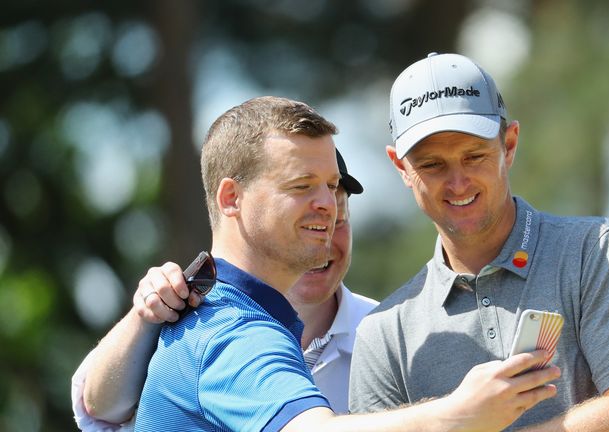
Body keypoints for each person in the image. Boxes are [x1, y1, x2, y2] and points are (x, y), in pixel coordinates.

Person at [86, 95, 560, 432]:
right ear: (231, 198)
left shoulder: (211, 312)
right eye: (301, 186)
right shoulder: (233, 328)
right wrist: (459, 414)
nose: (328, 205)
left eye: (332, 186)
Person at [348, 53, 609, 431]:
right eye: (432, 165)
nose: (458, 183)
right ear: (401, 167)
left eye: (474, 156)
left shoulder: (599, 252)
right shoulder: (383, 333)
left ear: (509, 144)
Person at [71, 150, 377, 431]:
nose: (321, 237)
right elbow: (98, 406)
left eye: (338, 219)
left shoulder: (387, 329)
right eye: (303, 218)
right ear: (235, 202)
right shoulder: (189, 314)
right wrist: (144, 318)